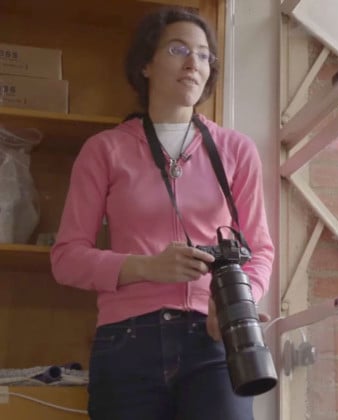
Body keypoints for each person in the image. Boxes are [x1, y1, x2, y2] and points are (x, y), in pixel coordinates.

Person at [50, 6, 274, 420]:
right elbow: (66, 258)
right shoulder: (105, 150)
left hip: (213, 340)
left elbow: (259, 250)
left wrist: (233, 306)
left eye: (205, 55)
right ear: (146, 64)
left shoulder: (236, 150)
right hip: (126, 342)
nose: (194, 63)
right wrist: (147, 266)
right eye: (178, 49)